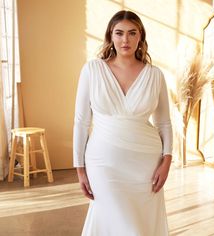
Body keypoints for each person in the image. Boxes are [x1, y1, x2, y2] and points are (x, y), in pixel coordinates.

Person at [73, 10, 173, 236]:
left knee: (140, 224)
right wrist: (80, 169)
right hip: (102, 161)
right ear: (110, 36)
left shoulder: (155, 75)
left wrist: (166, 161)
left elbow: (164, 123)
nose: (125, 40)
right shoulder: (92, 70)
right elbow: (80, 122)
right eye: (119, 33)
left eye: (131, 33)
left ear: (140, 37)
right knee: (119, 222)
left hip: (145, 163)